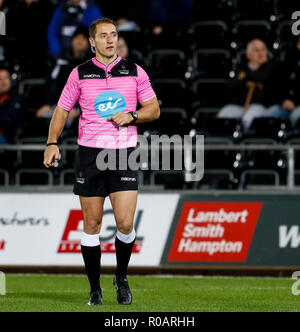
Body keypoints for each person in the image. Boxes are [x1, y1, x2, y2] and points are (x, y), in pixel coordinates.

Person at [43, 18, 160, 306]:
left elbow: (154, 109)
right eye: (104, 36)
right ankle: (95, 288)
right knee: (92, 224)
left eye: (114, 34)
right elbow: (61, 111)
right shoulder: (79, 74)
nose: (111, 40)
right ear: (92, 42)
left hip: (123, 152)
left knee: (124, 222)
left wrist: (132, 116)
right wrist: (51, 142)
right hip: (90, 154)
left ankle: (121, 277)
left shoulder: (134, 71)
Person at [217, 39, 288, 132]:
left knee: (247, 119)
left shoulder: (272, 67)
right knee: (223, 116)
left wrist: (246, 77)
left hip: (259, 106)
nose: (261, 53)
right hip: (239, 105)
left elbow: (265, 78)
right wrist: (247, 79)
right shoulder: (240, 68)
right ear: (248, 55)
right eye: (256, 50)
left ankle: (245, 143)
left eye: (263, 50)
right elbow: (230, 86)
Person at [37, 27, 92, 128]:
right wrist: (47, 104)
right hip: (58, 105)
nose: (79, 41)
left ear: (89, 43)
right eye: (77, 37)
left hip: (83, 108)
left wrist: (77, 109)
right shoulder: (61, 60)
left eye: (83, 38)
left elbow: (91, 90)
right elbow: (51, 82)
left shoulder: (92, 63)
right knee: (40, 118)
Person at [0, 68, 23, 144]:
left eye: (6, 78)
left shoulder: (17, 98)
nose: (3, 82)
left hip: (7, 138)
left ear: (11, 80)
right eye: (0, 79)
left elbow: (12, 119)